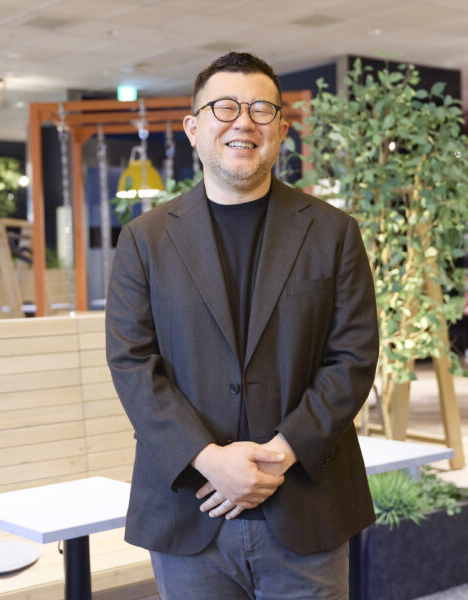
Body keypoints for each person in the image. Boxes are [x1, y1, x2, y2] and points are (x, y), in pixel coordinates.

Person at [106, 51, 379, 600]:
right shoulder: (145, 240)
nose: (244, 122)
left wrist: (274, 458)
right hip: (188, 509)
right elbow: (132, 364)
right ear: (194, 128)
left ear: (281, 129)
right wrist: (210, 460)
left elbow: (352, 358)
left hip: (307, 504)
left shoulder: (333, 232)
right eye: (225, 107)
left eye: (260, 109)